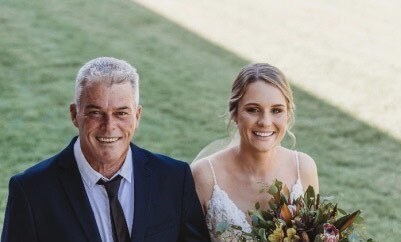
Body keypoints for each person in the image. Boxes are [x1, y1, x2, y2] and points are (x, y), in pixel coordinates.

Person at [1, 57, 210, 242]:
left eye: (121, 113)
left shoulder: (174, 179)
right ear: (74, 114)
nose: (109, 125)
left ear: (137, 116)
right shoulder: (31, 191)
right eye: (95, 112)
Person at [191, 63, 319, 241]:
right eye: (253, 110)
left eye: (276, 110)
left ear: (288, 114)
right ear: (234, 113)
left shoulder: (303, 168)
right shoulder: (204, 176)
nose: (265, 122)